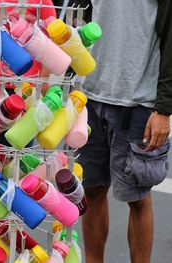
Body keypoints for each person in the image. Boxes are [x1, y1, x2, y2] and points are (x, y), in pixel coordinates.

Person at [75, 0, 172, 262]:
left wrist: (163, 109)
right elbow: (78, 19)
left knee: (138, 199)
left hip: (137, 102)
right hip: (88, 97)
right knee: (91, 191)